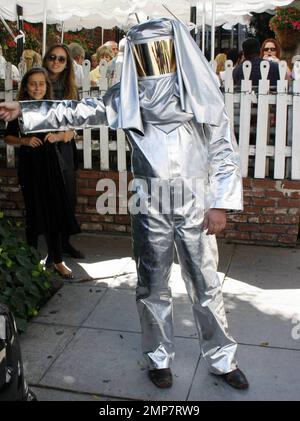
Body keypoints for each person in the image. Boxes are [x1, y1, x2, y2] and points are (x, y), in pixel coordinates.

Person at [0, 17, 249, 391]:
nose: (153, 60)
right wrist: (27, 110)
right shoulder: (128, 96)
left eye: (160, 51)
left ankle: (221, 358)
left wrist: (220, 204)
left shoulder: (199, 91)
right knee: (151, 284)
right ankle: (158, 357)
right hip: (148, 204)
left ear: (175, 49)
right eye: (144, 52)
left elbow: (224, 151)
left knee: (205, 283)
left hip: (195, 203)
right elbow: (80, 110)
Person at [3, 67, 80, 278]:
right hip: (30, 166)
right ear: (26, 87)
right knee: (34, 212)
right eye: (33, 83)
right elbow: (7, 138)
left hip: (51, 165)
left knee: (54, 211)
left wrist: (58, 136)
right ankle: (30, 260)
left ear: (47, 87)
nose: (37, 87)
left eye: (41, 84)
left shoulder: (52, 108)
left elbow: (71, 129)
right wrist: (24, 140)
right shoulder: (19, 110)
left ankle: (57, 260)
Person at [42, 43, 84, 261]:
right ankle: (53, 250)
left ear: (67, 63)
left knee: (69, 196)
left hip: (66, 145)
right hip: (45, 145)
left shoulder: (70, 88)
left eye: (61, 59)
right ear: (46, 59)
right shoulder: (39, 82)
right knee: (51, 198)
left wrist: (71, 132)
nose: (56, 62)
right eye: (52, 57)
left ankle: (65, 243)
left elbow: (77, 116)